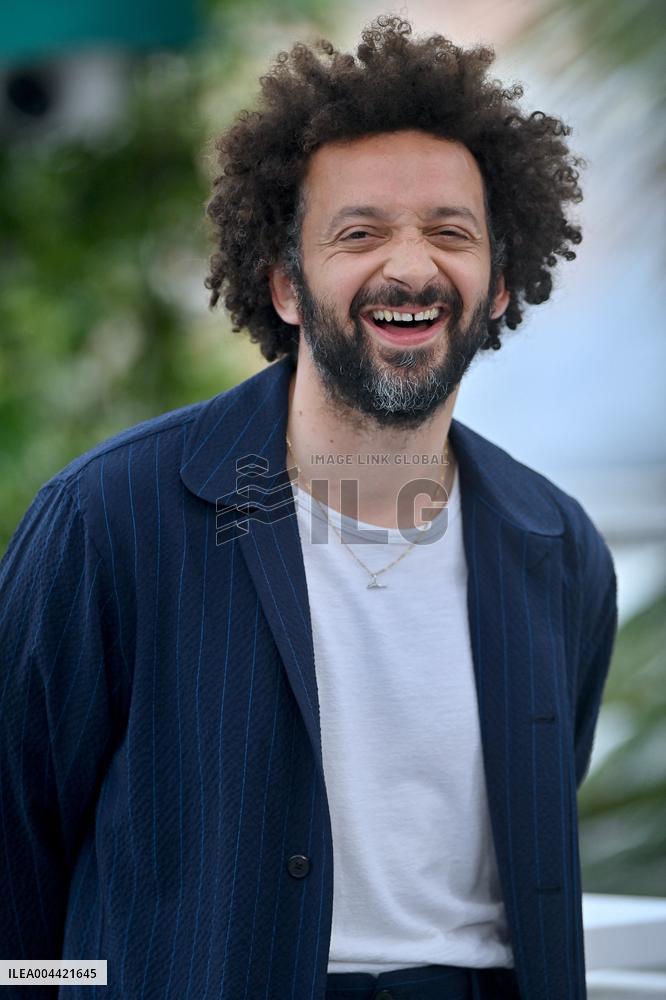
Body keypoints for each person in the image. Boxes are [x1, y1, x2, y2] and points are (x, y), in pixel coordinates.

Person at [0, 16, 617, 1000]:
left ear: (500, 284)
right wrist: (81, 988)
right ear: (286, 285)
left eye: (450, 233)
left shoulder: (559, 548)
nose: (410, 267)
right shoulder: (107, 519)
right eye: (359, 233)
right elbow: (13, 873)